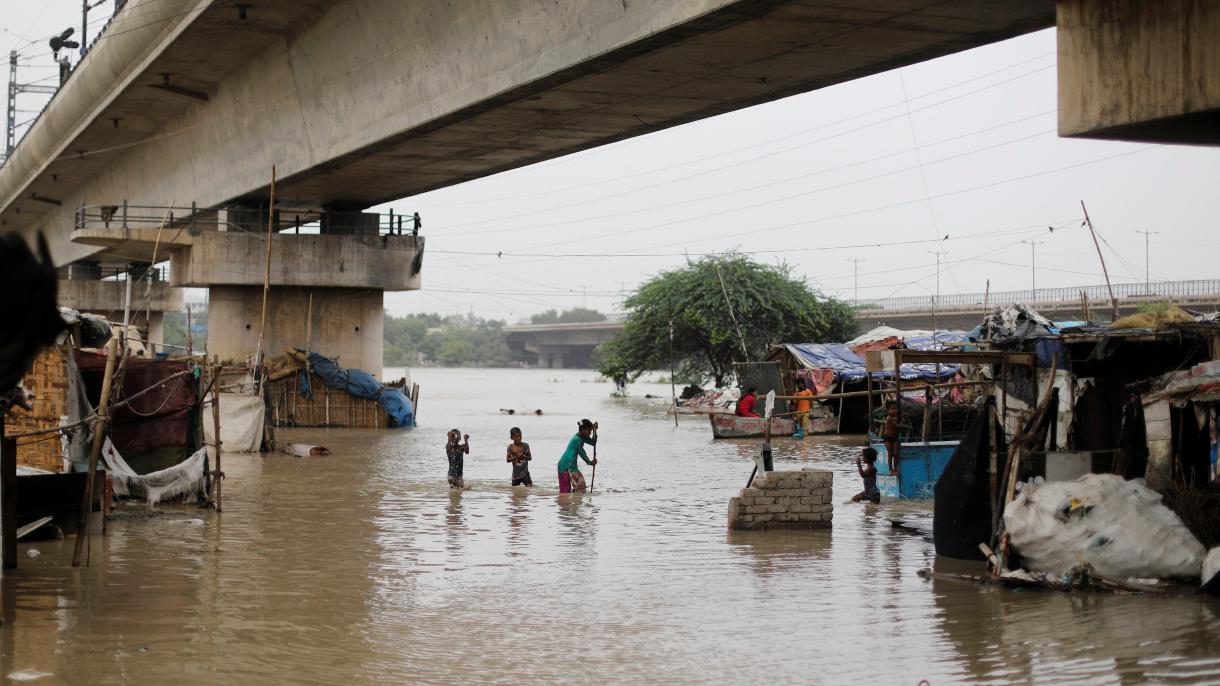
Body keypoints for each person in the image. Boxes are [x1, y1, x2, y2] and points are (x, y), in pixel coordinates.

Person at [557, 419, 598, 493]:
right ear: (582, 429)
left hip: (570, 465)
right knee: (572, 489)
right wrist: (589, 462)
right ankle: (572, 501)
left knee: (578, 487)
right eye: (588, 431)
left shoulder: (582, 437)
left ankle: (574, 501)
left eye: (590, 432)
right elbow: (582, 452)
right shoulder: (577, 439)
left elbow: (593, 442)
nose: (589, 433)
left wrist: (595, 430)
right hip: (566, 465)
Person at [882, 400, 909, 476]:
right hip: (887, 438)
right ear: (888, 411)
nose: (895, 410)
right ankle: (890, 470)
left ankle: (895, 469)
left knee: (896, 453)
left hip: (895, 438)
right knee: (890, 454)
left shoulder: (896, 417)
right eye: (892, 409)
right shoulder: (889, 418)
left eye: (895, 409)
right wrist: (903, 421)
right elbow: (897, 426)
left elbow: (898, 429)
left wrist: (902, 419)